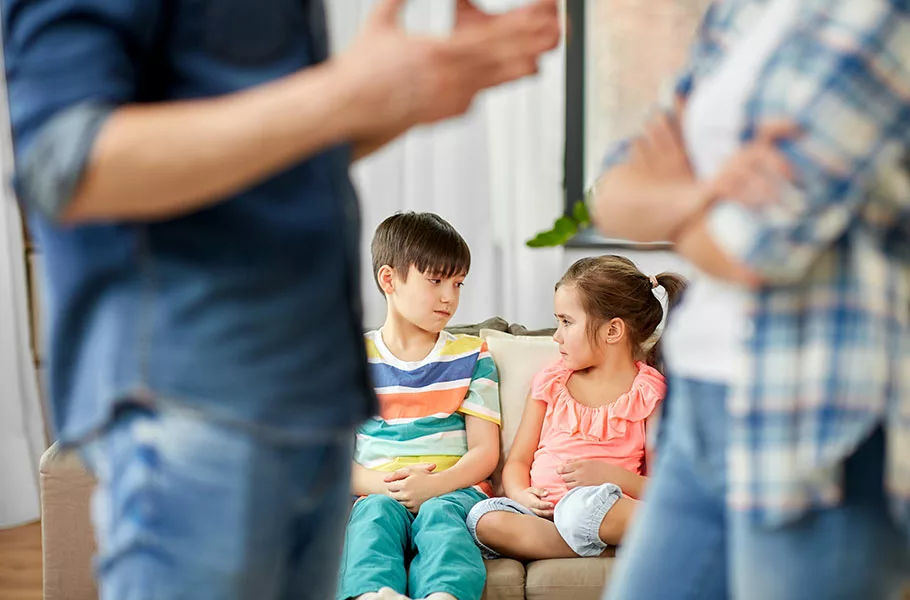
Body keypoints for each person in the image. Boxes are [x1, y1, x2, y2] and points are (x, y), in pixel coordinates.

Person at [2, 0, 560, 598]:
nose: (449, 294)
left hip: (311, 394)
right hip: (196, 393)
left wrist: (402, 97)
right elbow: (66, 164)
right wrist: (343, 94)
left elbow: (269, 155)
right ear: (389, 279)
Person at [592, 1, 910, 598]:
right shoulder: (740, 11)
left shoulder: (882, 14)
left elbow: (755, 247)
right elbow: (611, 191)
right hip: (700, 406)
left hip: (820, 421)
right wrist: (712, 193)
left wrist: (675, 193)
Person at [465, 256, 686, 561]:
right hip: (543, 516)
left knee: (580, 510)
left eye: (566, 322)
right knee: (483, 517)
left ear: (613, 331)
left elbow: (662, 487)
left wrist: (611, 476)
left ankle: (620, 534)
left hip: (599, 507)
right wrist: (520, 494)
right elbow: (517, 461)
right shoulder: (551, 383)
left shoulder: (648, 393)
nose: (556, 336)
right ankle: (606, 549)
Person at [336, 212, 501, 600]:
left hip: (454, 489)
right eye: (436, 280)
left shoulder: (473, 355)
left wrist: (435, 486)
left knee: (441, 517)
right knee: (372, 517)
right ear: (389, 279)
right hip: (378, 491)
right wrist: (391, 488)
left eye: (458, 283)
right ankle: (374, 594)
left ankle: (443, 596)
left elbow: (484, 451)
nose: (450, 297)